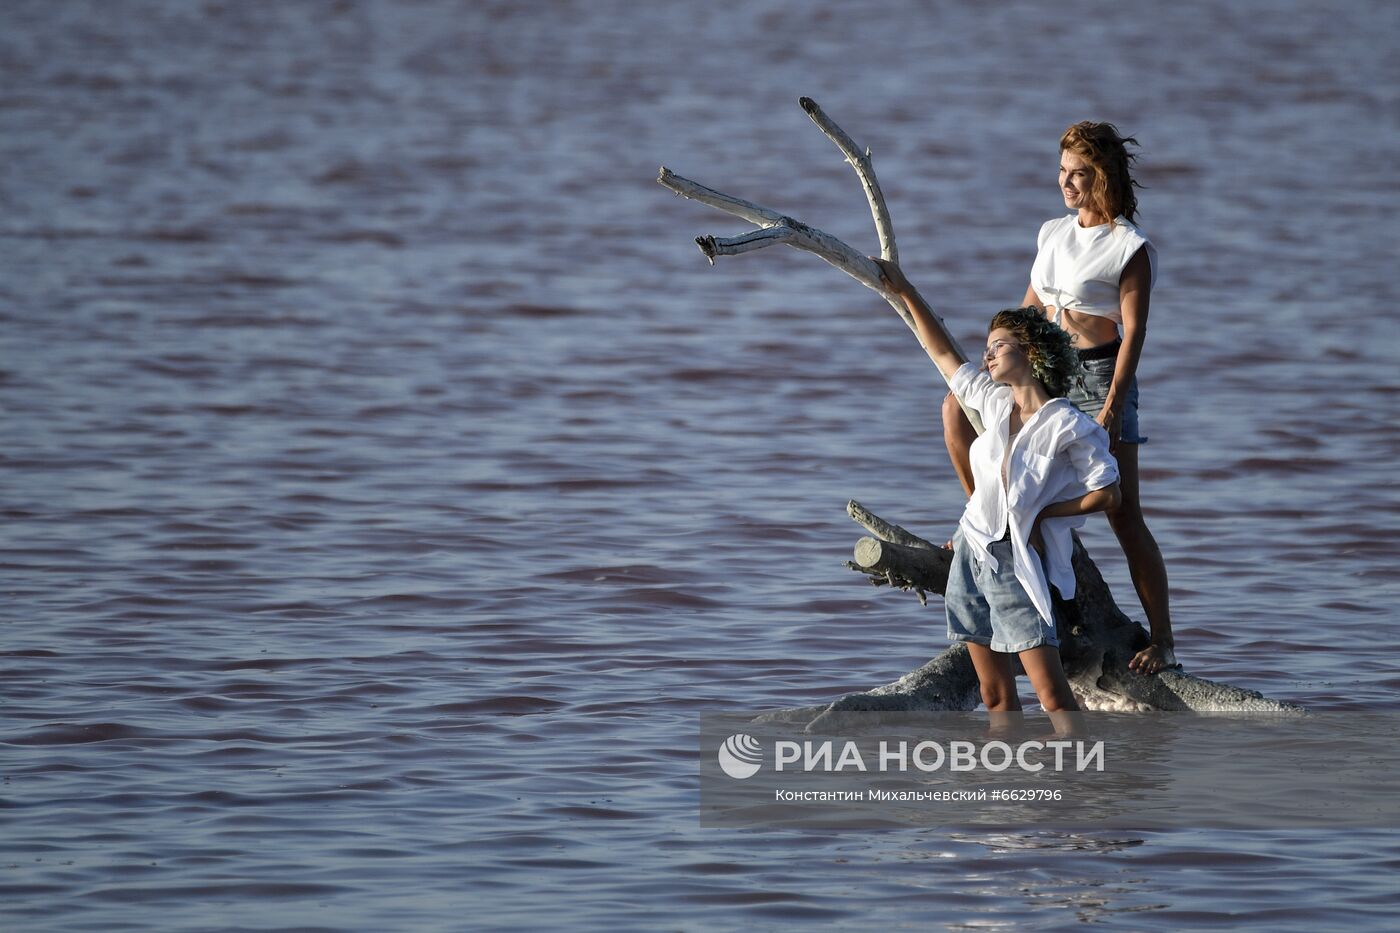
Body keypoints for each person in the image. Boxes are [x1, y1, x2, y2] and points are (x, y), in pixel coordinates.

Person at [940, 121, 1178, 675]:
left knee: (1123, 512)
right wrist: (992, 358)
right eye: (1063, 172)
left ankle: (1163, 640)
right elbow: (1026, 312)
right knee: (956, 410)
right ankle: (987, 528)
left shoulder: (1131, 247)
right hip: (1044, 372)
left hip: (1099, 376)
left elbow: (1135, 331)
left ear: (1105, 176)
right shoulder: (1051, 232)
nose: (1067, 184)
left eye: (1080, 174)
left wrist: (1115, 402)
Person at [875, 258, 1121, 714]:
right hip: (971, 552)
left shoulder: (1068, 424)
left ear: (1029, 352)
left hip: (1015, 558)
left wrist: (1046, 514)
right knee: (995, 696)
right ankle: (1004, 778)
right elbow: (945, 357)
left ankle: (1083, 779)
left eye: (998, 346)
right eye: (986, 347)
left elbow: (1108, 491)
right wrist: (905, 292)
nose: (986, 355)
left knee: (1050, 695)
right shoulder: (993, 402)